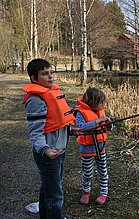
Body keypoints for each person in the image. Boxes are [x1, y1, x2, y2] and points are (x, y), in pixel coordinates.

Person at [22, 58, 79, 219]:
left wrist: (70, 129)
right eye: (44, 74)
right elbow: (35, 132)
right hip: (48, 154)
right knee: (55, 195)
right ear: (34, 79)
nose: (50, 77)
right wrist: (45, 150)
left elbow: (57, 121)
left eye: (51, 73)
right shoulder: (36, 100)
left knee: (48, 188)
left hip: (58, 149)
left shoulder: (53, 92)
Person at [74, 87, 111, 205]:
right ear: (93, 102)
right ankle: (86, 192)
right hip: (87, 148)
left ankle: (104, 193)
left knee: (102, 170)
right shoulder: (80, 112)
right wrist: (98, 121)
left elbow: (106, 127)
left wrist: (109, 125)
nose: (103, 105)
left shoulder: (101, 111)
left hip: (101, 147)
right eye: (101, 102)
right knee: (88, 172)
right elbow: (81, 126)